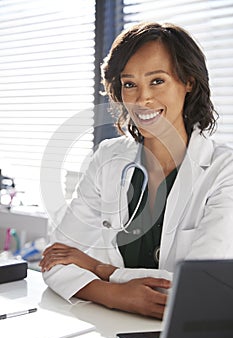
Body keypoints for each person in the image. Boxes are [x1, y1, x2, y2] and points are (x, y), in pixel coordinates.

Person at [39, 22, 233, 320]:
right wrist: (114, 295)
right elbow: (57, 260)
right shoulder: (108, 158)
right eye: (130, 84)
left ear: (189, 82)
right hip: (107, 328)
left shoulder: (224, 170)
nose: (142, 98)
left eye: (157, 81)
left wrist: (101, 270)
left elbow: (199, 289)